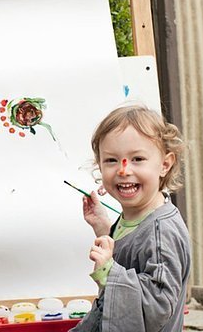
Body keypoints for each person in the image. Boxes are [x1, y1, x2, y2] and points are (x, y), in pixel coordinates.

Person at [70, 104, 191, 331]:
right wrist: (105, 230)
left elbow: (158, 307)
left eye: (137, 159)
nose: (124, 170)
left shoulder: (162, 233)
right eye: (111, 160)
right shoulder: (136, 218)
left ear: (165, 164)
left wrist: (109, 272)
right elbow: (130, 257)